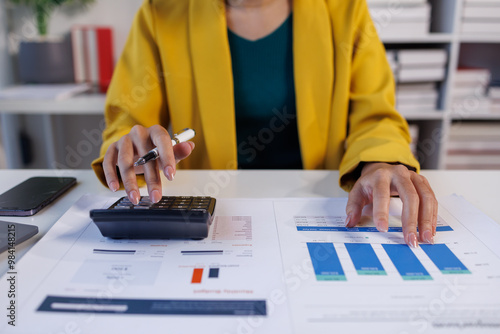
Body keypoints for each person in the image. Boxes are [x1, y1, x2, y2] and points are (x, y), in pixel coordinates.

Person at [91, 0, 438, 248]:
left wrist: (378, 161)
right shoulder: (160, 13)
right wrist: (131, 143)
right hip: (214, 208)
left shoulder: (346, 10)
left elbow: (374, 113)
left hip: (320, 205)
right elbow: (129, 119)